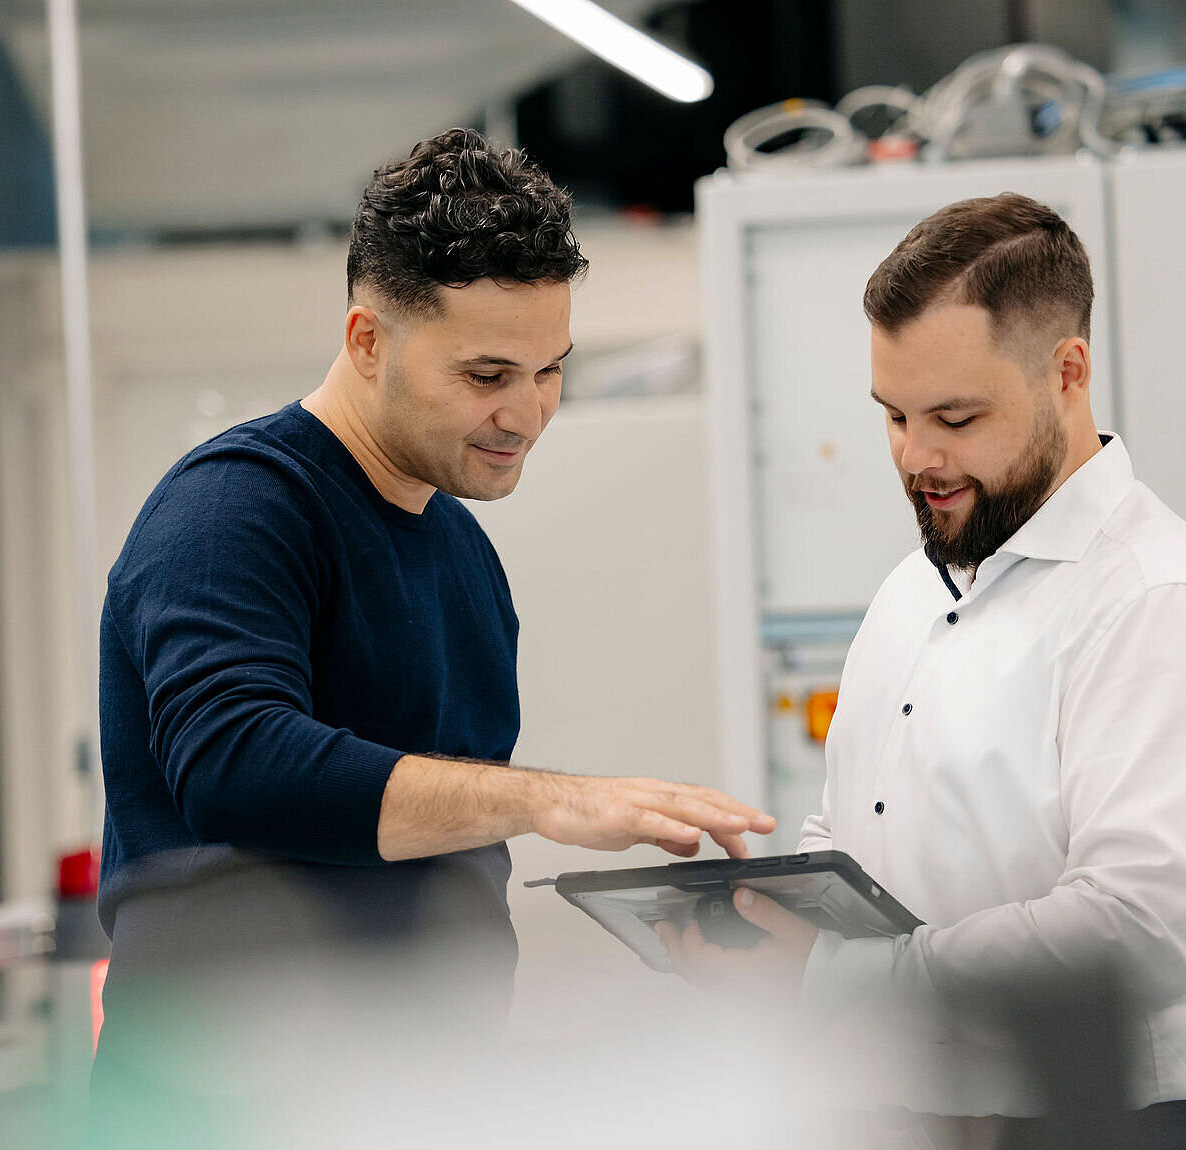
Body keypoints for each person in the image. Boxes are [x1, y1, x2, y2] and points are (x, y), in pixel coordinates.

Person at [89, 129, 774, 1132]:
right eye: (487, 372)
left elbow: (434, 845)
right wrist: (545, 800)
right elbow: (236, 762)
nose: (528, 413)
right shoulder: (235, 510)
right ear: (368, 340)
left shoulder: (460, 551)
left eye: (549, 371)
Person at [661, 193, 1186, 1150]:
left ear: (1066, 372)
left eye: (953, 416)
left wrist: (828, 975)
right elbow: (863, 830)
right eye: (893, 416)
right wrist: (763, 912)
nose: (916, 457)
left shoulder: (1165, 600)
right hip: (910, 1114)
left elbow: (1132, 934)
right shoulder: (911, 591)